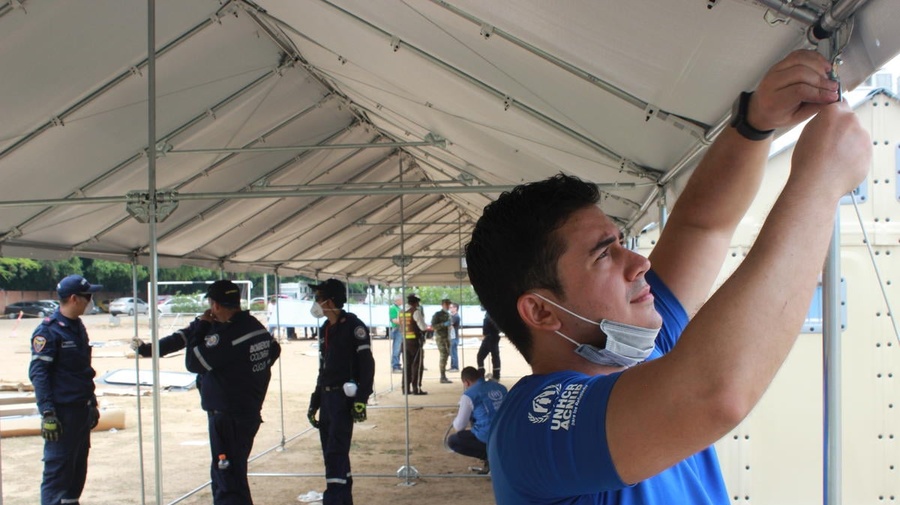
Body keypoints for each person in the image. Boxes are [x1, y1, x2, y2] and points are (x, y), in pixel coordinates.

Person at [464, 49, 871, 504]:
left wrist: (755, 124)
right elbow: (714, 393)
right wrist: (820, 183)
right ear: (540, 311)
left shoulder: (640, 350)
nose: (639, 264)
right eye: (604, 256)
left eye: (620, 243)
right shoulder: (529, 429)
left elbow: (702, 225)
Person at [132, 280, 281, 505]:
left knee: (227, 478)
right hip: (244, 411)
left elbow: (193, 362)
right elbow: (183, 338)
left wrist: (202, 328)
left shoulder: (230, 335)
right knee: (232, 475)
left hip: (229, 416)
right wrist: (148, 349)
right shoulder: (251, 325)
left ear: (215, 305)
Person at [29, 274, 103, 505]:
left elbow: (82, 370)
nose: (90, 301)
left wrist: (91, 402)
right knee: (57, 473)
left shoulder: (77, 326)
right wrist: (48, 413)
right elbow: (39, 375)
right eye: (87, 296)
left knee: (77, 471)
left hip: (81, 410)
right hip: (62, 413)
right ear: (74, 299)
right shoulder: (48, 331)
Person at [306, 278, 375, 505]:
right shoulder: (326, 328)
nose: (316, 303)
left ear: (330, 301)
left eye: (318, 298)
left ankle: (335, 499)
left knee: (336, 450)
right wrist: (315, 401)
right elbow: (323, 368)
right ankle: (341, 497)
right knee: (331, 452)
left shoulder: (353, 326)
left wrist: (361, 400)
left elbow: (367, 365)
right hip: (327, 397)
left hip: (342, 399)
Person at [448, 366, 508, 474]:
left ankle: (491, 457)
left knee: (453, 441)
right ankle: (494, 457)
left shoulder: (469, 395)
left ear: (466, 382)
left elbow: (459, 426)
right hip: (508, 434)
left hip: (489, 436)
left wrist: (459, 413)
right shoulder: (501, 387)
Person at [400, 293, 427, 395]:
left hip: (404, 342)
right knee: (417, 366)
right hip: (415, 343)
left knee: (406, 366)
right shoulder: (415, 312)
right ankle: (416, 389)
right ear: (415, 303)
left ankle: (405, 389)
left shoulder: (401, 312)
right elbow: (423, 327)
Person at [431, 298, 454, 383]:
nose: (448, 306)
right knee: (443, 356)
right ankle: (442, 376)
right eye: (446, 304)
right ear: (443, 304)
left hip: (447, 338)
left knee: (447, 355)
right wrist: (443, 324)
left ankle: (443, 376)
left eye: (449, 304)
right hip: (440, 338)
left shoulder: (448, 314)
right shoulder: (437, 314)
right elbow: (433, 326)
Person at [477, 313, 501, 381]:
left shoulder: (488, 316)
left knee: (480, 356)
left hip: (489, 337)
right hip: (494, 337)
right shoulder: (495, 316)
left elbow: (485, 329)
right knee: (495, 356)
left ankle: (482, 375)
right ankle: (496, 375)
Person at [389, 295, 403, 373]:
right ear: (397, 300)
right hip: (397, 329)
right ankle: (395, 366)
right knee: (396, 348)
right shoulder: (393, 308)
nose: (402, 301)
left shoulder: (398, 308)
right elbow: (394, 320)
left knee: (399, 348)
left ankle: (397, 364)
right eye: (401, 300)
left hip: (400, 329)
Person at [449, 303, 461, 371]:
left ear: (455, 308)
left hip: (454, 337)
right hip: (452, 336)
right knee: (452, 352)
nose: (450, 309)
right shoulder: (452, 316)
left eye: (451, 307)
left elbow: (450, 324)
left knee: (454, 352)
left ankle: (455, 367)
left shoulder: (456, 316)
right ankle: (452, 366)